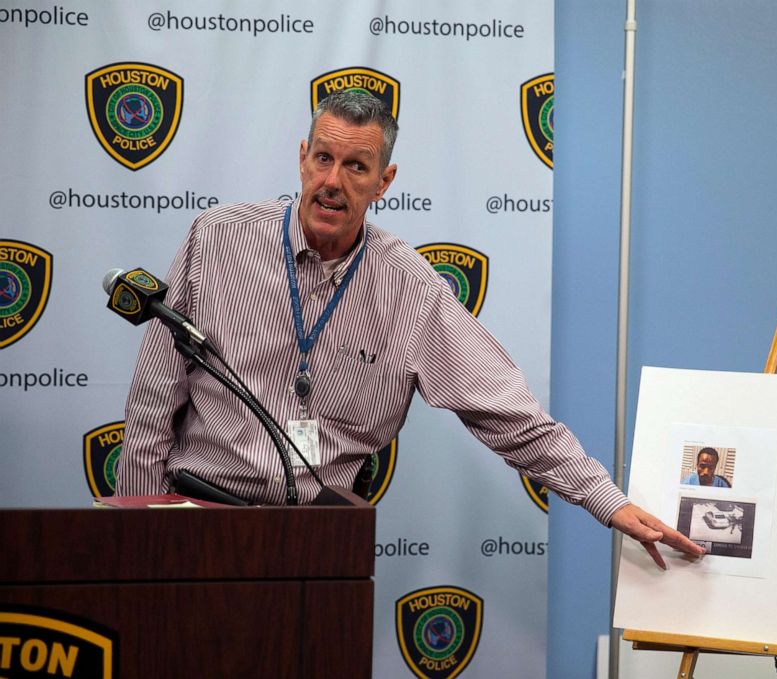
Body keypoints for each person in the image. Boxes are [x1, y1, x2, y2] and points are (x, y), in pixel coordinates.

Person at [116, 90, 703, 569]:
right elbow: (152, 401)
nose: (332, 181)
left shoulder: (410, 287)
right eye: (323, 158)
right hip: (197, 516)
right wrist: (135, 538)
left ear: (384, 180)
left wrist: (609, 503)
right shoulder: (217, 239)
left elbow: (510, 415)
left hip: (319, 538)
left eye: (355, 167)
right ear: (302, 158)